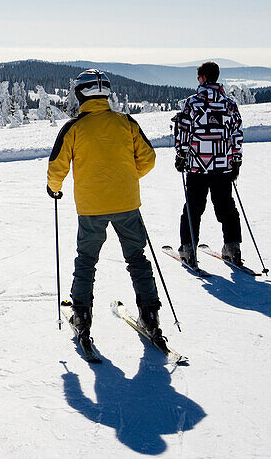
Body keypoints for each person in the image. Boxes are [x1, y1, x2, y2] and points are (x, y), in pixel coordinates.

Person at [47, 69, 164, 348]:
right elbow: (148, 158)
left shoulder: (74, 128)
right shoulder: (126, 123)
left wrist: (54, 188)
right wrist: (126, 178)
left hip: (91, 208)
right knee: (137, 259)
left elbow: (56, 166)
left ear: (80, 94)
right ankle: (151, 317)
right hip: (127, 204)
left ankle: (82, 317)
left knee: (86, 262)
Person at [172, 61, 245, 267]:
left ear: (203, 78)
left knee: (193, 208)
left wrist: (181, 155)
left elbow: (183, 132)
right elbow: (237, 134)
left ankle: (188, 248)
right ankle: (232, 247)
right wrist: (236, 160)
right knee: (226, 207)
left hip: (197, 166)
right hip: (222, 165)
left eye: (198, 77)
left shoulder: (192, 103)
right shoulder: (229, 104)